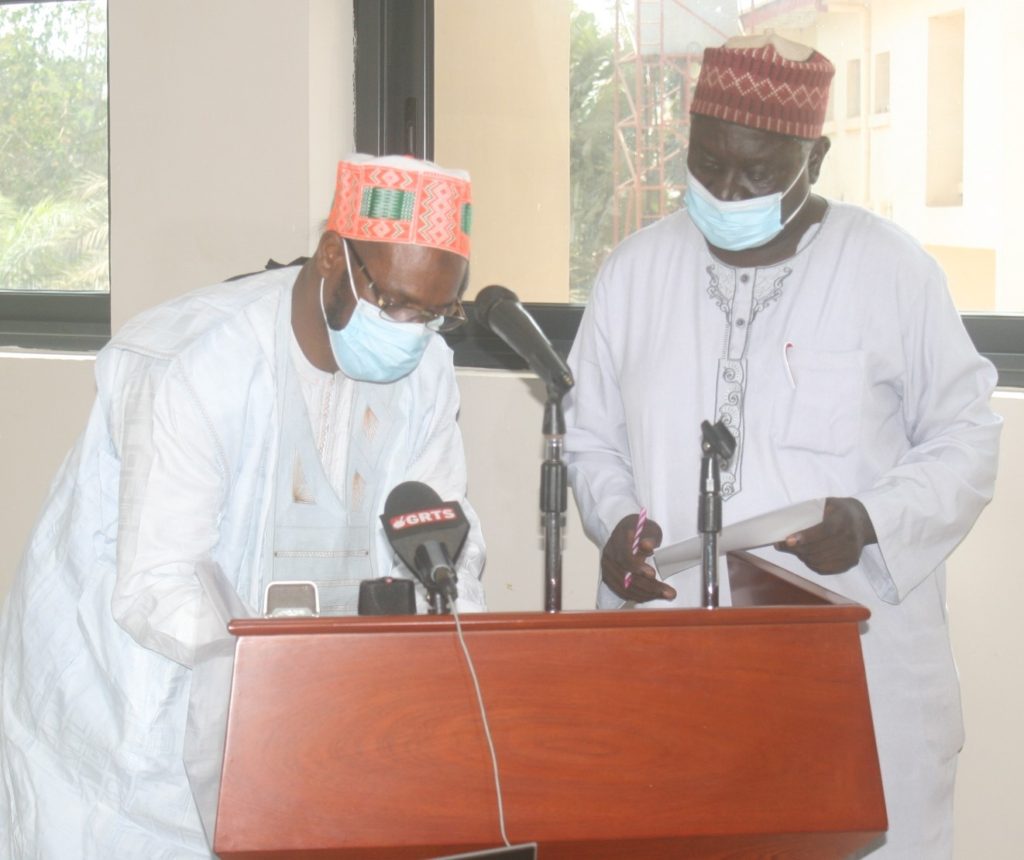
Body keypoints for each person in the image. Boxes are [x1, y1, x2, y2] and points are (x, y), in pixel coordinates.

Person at [563, 34, 1001, 858]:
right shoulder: (633, 272)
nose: (726, 191)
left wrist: (872, 520)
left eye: (757, 173)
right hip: (674, 658)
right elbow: (589, 438)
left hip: (855, 672)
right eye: (707, 164)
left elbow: (967, 435)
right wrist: (618, 522)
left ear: (815, 158)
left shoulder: (889, 269)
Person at [0, 154, 487, 858]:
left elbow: (440, 539)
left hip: (303, 726)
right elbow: (159, 586)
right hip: (130, 727)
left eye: (436, 313)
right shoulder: (198, 363)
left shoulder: (425, 370)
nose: (411, 330)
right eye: (395, 302)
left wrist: (445, 658)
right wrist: (293, 667)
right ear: (333, 256)